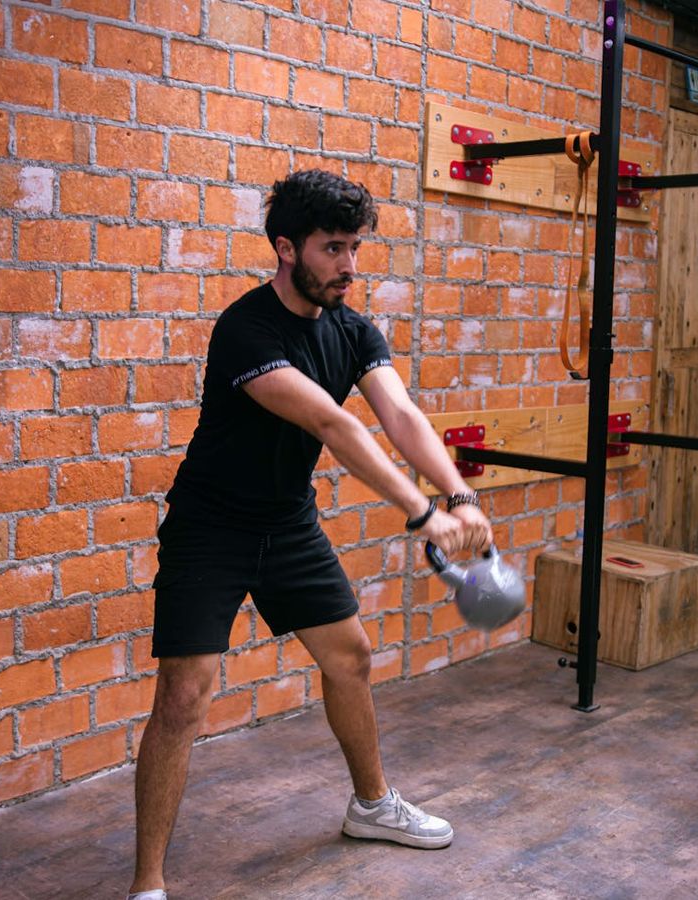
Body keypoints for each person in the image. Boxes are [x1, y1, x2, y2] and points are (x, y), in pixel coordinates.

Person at [127, 169, 493, 900]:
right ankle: (148, 883)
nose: (349, 266)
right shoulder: (246, 329)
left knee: (350, 657)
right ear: (288, 248)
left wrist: (458, 491)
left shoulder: (354, 329)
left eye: (356, 247)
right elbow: (333, 422)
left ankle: (371, 806)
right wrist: (423, 514)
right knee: (183, 697)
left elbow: (401, 416)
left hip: (287, 522)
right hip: (211, 528)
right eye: (334, 248)